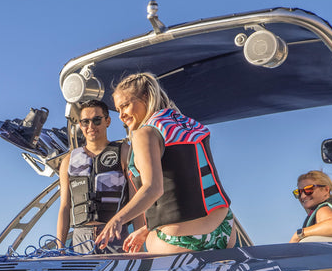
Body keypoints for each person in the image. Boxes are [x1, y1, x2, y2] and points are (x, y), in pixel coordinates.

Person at [94, 72, 236, 254]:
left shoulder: (145, 133)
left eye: (126, 106)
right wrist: (146, 229)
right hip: (224, 229)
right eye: (118, 109)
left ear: (145, 97)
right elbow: (186, 186)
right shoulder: (187, 123)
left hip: (181, 241)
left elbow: (153, 189)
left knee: (148, 247)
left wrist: (117, 219)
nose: (121, 115)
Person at [55, 100, 131, 251]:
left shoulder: (124, 152)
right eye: (85, 122)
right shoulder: (68, 161)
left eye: (97, 120)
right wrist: (60, 248)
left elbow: (137, 199)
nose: (91, 127)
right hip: (79, 240)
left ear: (107, 121)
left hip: (116, 236)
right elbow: (64, 206)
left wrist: (140, 248)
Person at [290, 170, 332, 241]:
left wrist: (298, 234)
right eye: (299, 192)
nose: (303, 196)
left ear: (326, 190)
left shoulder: (323, 210)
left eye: (308, 190)